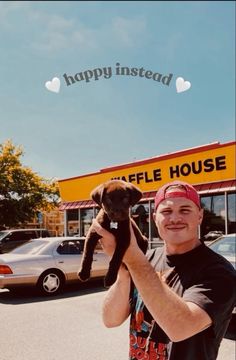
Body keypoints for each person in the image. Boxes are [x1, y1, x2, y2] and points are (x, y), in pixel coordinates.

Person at [92, 180, 236, 360]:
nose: (175, 218)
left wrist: (131, 258)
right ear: (155, 218)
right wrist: (123, 267)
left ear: (199, 216)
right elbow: (111, 319)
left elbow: (180, 328)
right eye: (166, 211)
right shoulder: (147, 259)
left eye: (185, 210)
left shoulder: (219, 271)